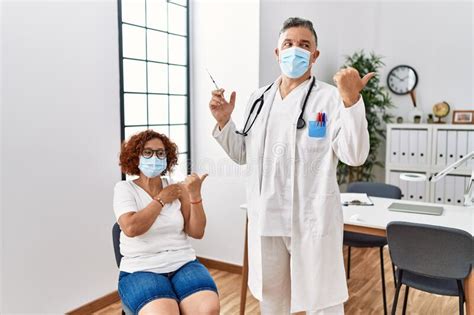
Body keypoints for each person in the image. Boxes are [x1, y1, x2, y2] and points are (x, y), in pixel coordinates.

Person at [209, 17, 372, 314]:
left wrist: (351, 102)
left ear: (315, 55)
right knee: (272, 299)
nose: (295, 50)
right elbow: (243, 153)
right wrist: (224, 122)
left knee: (322, 301)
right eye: (288, 44)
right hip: (267, 218)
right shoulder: (258, 99)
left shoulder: (331, 99)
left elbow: (355, 155)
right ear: (277, 52)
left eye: (304, 45)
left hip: (311, 218)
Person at [113, 130, 219, 315]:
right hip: (141, 269)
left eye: (160, 153)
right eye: (148, 152)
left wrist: (194, 195)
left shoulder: (177, 188)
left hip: (183, 263)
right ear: (135, 156)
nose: (155, 157)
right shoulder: (124, 189)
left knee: (207, 310)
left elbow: (197, 232)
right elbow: (131, 228)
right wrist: (161, 199)